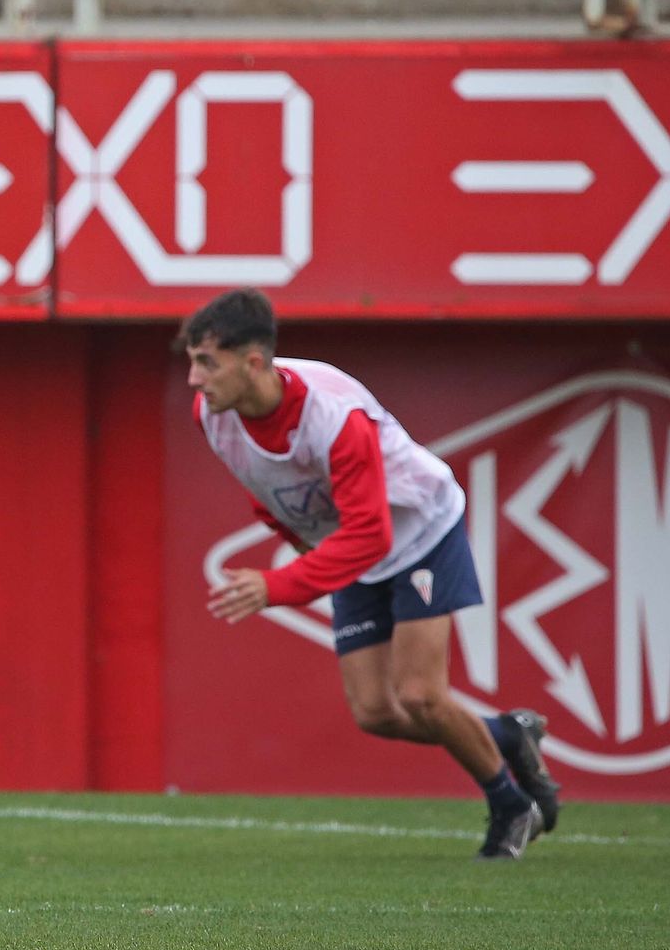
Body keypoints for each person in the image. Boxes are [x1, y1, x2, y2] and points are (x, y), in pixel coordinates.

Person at [178, 288, 561, 860]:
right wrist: (302, 548)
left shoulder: (333, 417)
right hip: (351, 546)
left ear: (253, 362)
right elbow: (269, 496)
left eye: (206, 361)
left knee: (420, 694)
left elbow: (372, 534)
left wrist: (279, 584)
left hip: (419, 532)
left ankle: (510, 804)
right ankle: (507, 734)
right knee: (377, 713)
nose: (194, 378)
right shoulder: (214, 416)